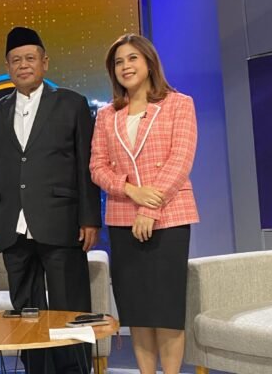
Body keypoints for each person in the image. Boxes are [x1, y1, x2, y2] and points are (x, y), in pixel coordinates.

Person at [0, 27, 101, 373]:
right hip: (12, 228)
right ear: (7, 66)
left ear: (45, 62)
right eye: (16, 60)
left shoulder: (72, 104)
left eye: (30, 58)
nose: (23, 65)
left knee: (70, 310)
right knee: (26, 315)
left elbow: (85, 165)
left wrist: (90, 218)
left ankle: (75, 371)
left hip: (62, 222)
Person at [90, 34, 199, 374]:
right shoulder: (107, 115)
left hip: (169, 217)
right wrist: (129, 191)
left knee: (166, 311)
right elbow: (97, 166)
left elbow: (180, 160)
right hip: (123, 218)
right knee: (137, 311)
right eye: (118, 62)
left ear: (149, 63)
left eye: (132, 58)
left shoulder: (179, 104)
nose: (126, 66)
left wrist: (149, 209)